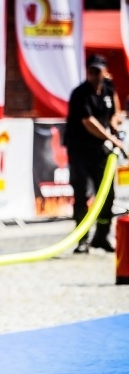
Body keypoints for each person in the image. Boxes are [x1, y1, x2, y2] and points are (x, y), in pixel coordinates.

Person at [64, 54, 125, 254]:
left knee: (107, 195)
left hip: (102, 151)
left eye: (98, 71)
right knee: (83, 194)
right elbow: (89, 122)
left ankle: (102, 236)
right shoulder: (80, 94)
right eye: (91, 71)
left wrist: (115, 122)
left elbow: (115, 111)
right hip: (80, 151)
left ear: (105, 71)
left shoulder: (108, 89)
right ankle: (82, 239)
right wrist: (113, 139)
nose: (94, 75)